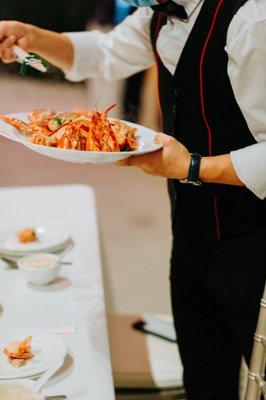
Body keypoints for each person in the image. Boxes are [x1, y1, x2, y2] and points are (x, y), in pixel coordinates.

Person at [0, 1, 266, 398]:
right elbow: (104, 54)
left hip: (254, 238)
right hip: (192, 227)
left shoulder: (250, 23)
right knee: (204, 372)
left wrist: (192, 167)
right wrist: (36, 39)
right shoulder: (158, 14)